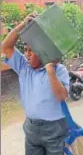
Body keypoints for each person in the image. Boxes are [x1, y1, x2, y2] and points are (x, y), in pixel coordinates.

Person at [2, 13, 69, 155]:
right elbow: (6, 47)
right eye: (26, 50)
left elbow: (61, 96)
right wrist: (22, 24)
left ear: (42, 51)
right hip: (31, 129)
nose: (27, 54)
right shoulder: (23, 67)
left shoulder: (59, 70)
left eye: (31, 50)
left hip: (55, 130)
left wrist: (50, 70)